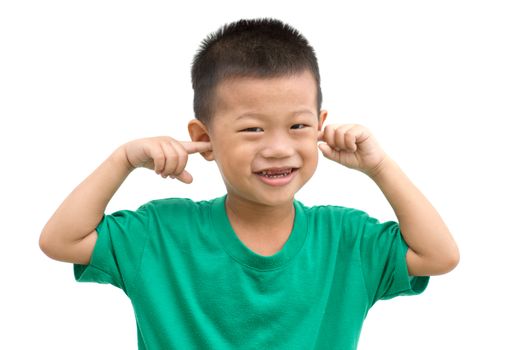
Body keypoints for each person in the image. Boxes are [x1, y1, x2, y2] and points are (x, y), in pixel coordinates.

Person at [39, 18, 459, 349]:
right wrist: (122, 160)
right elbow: (61, 241)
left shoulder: (345, 238)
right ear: (204, 139)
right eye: (253, 129)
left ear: (320, 126)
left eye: (298, 125)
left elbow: (439, 256)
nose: (278, 148)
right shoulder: (160, 233)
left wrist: (380, 167)